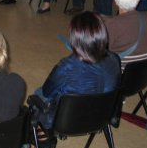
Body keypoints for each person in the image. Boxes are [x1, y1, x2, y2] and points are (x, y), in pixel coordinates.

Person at [33, 11, 121, 140]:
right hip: (101, 118)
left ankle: (42, 135)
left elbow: (47, 92)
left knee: (38, 94)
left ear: (75, 39)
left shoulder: (66, 67)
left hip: (66, 122)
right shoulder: (115, 59)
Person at [103, 0, 147, 66]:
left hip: (119, 72)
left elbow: (101, 52)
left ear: (116, 1)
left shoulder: (112, 24)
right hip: (144, 72)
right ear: (138, 0)